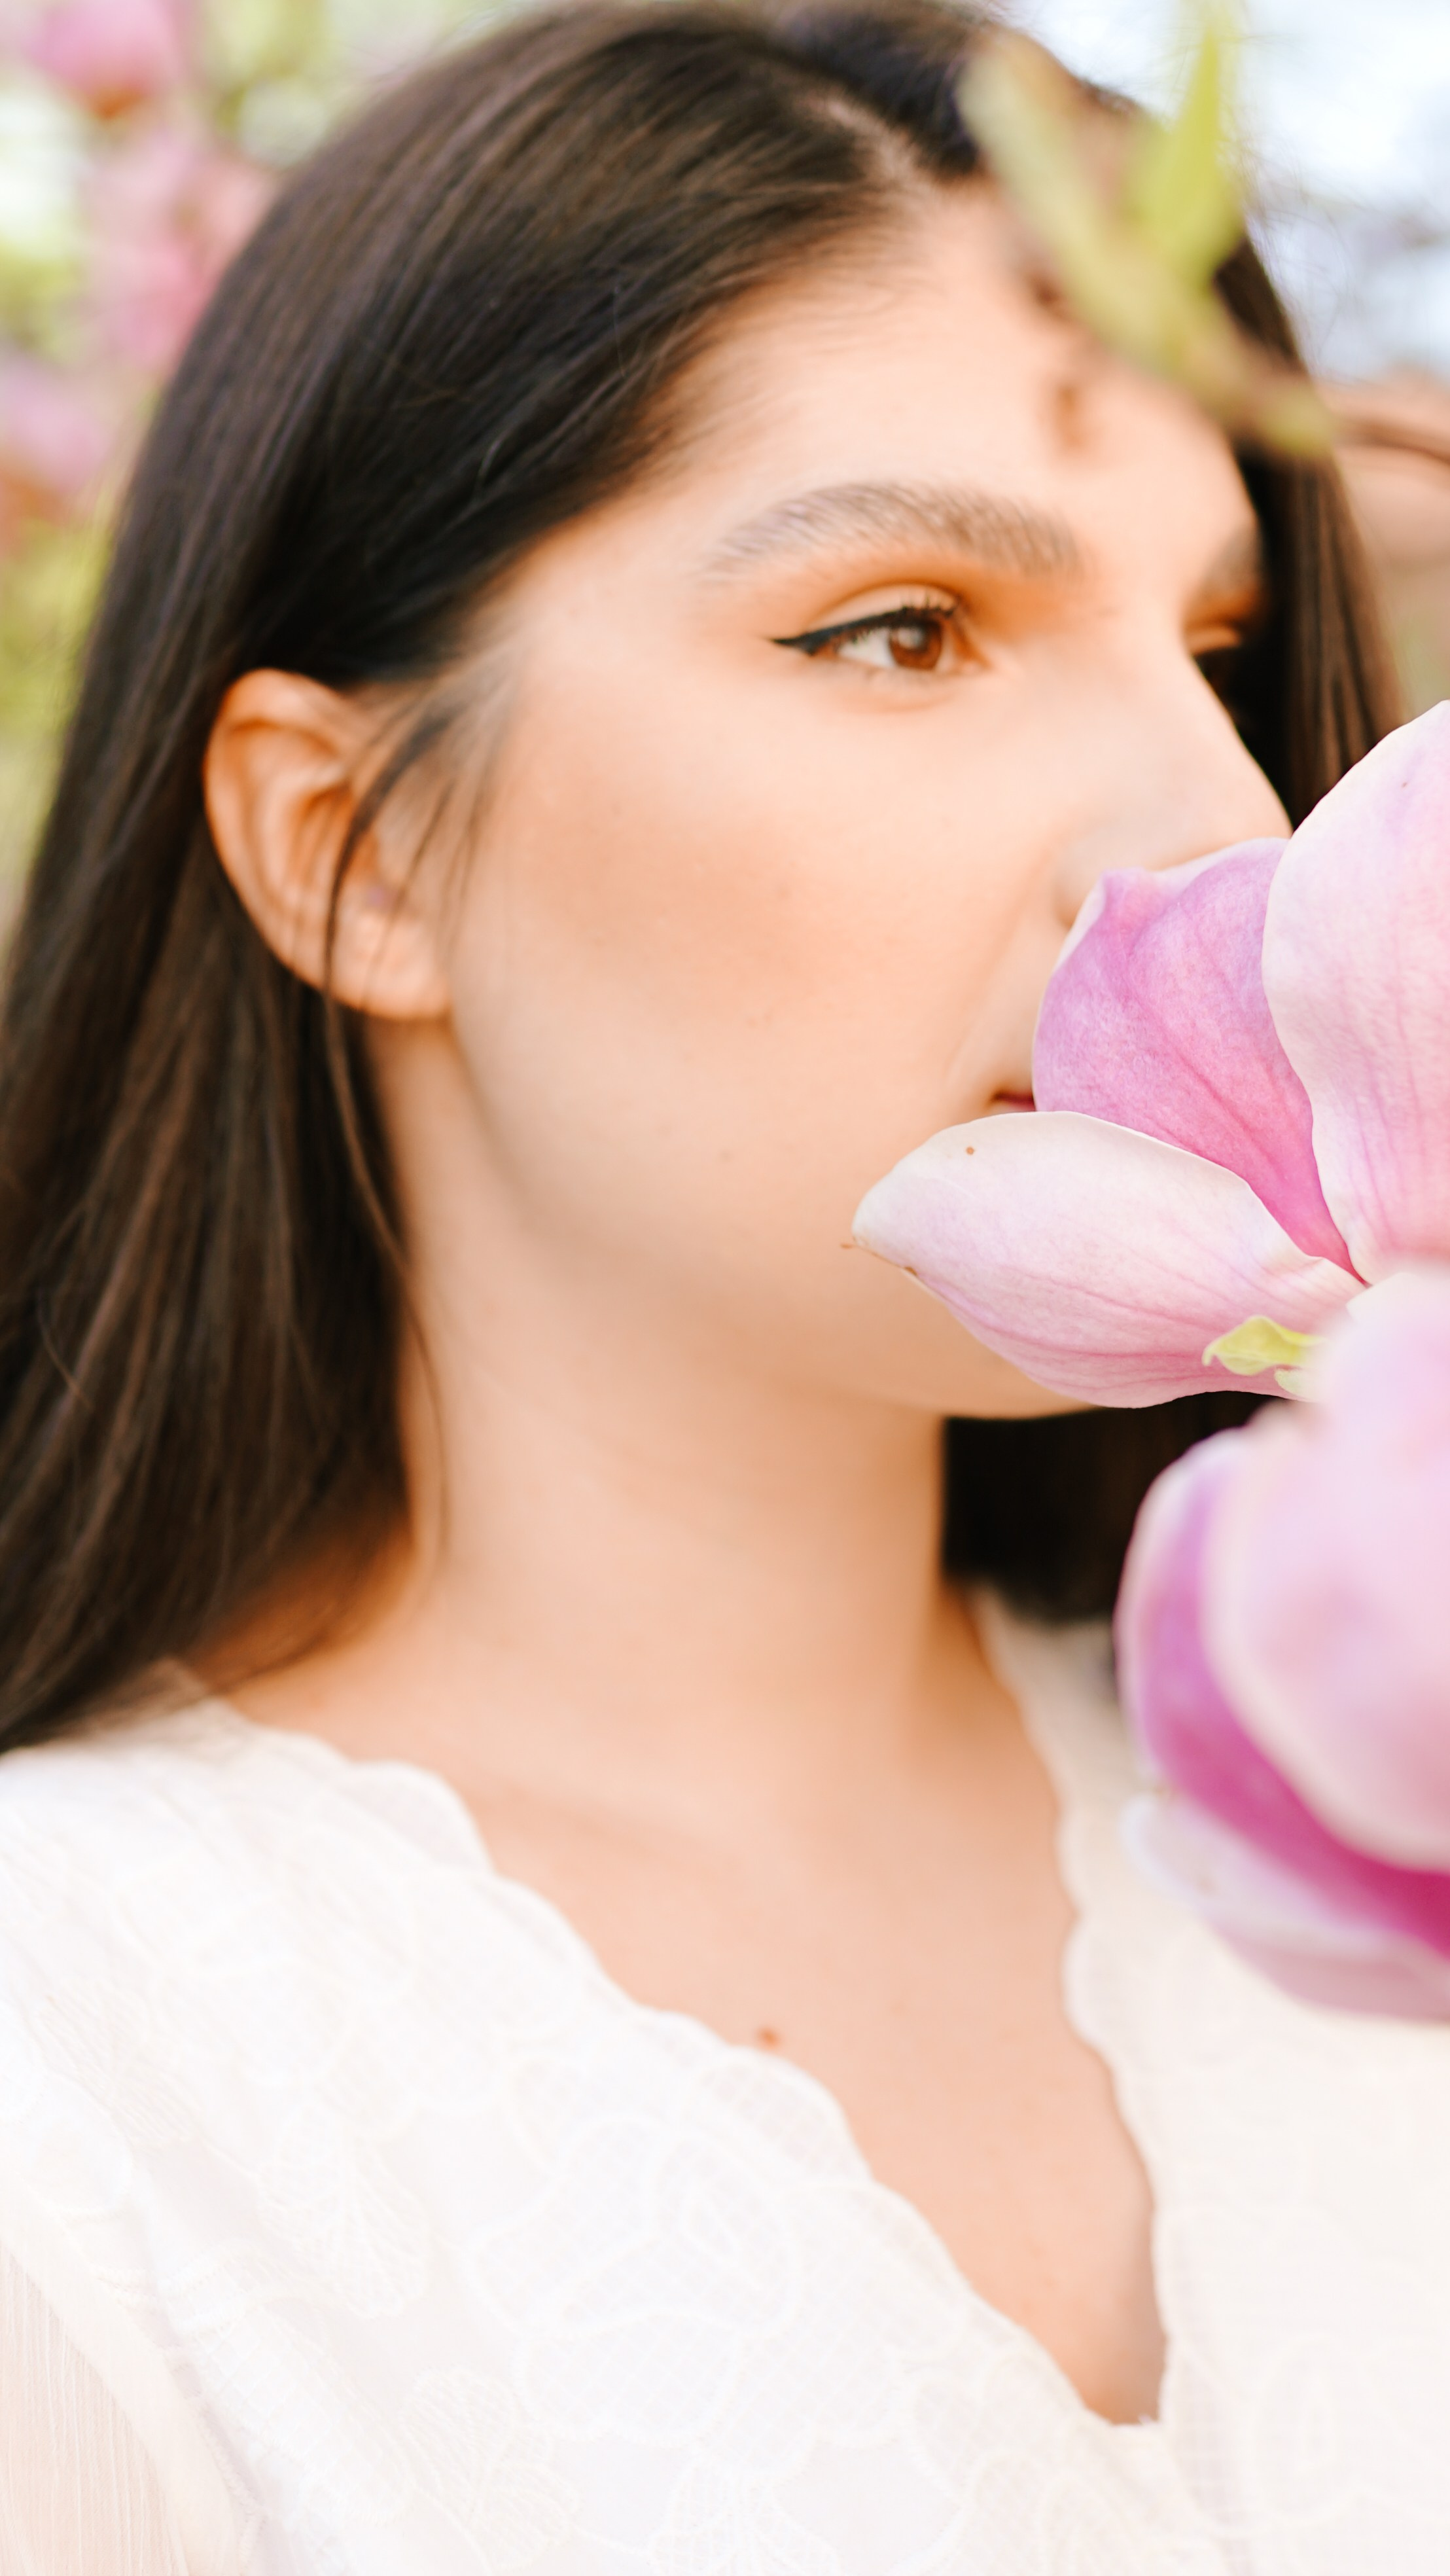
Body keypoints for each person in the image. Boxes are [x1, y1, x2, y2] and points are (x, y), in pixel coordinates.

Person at [0, 1, 1435, 2566]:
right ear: (350, 852)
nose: (1213, 836)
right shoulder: (81, 2079)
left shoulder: (1377, 1751)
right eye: (899, 629)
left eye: (1219, 654)